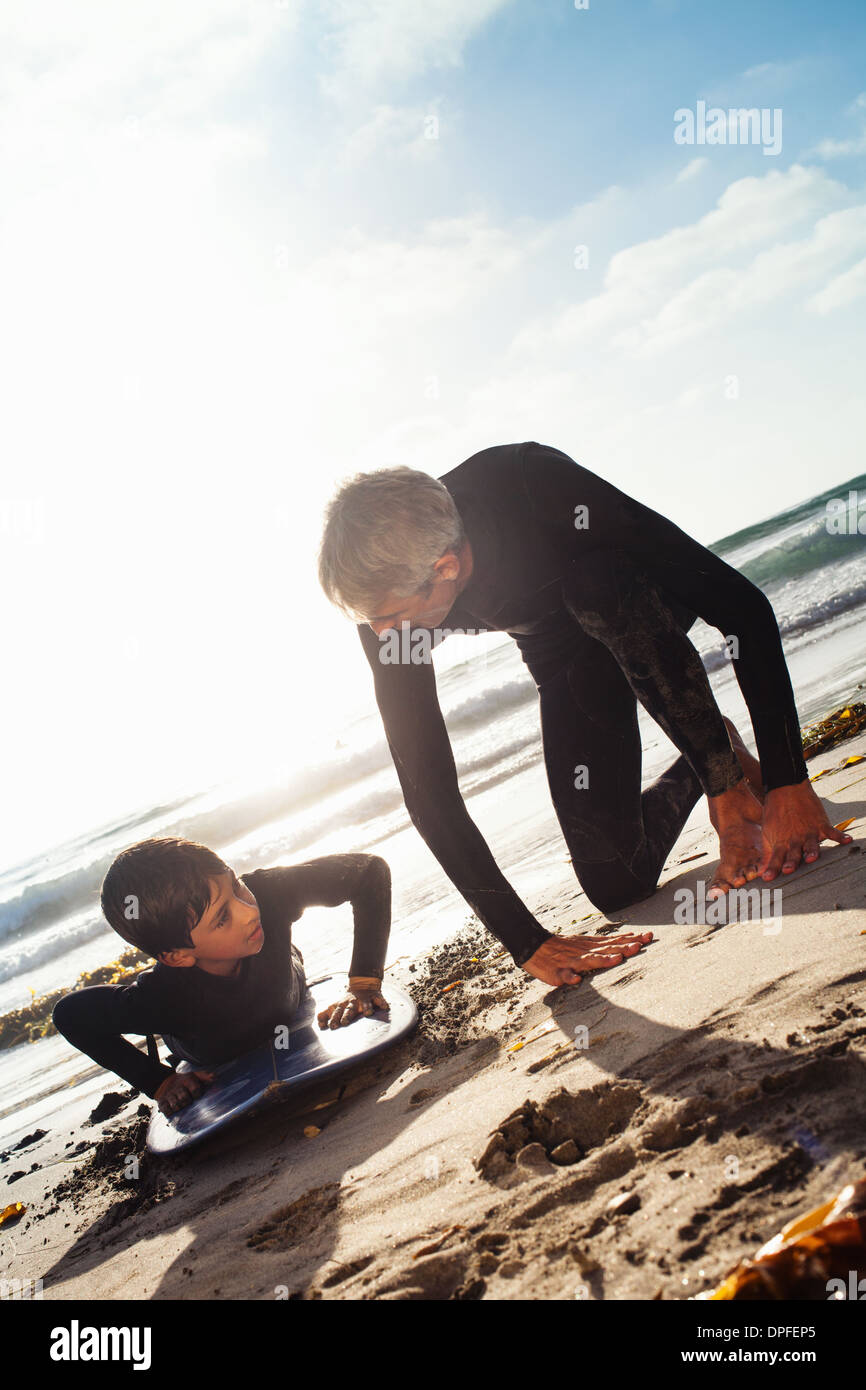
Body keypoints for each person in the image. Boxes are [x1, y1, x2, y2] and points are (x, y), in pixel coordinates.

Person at [317, 439, 852, 990]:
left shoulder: (535, 486)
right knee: (616, 882)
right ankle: (708, 765)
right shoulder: (383, 599)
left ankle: (727, 783)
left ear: (445, 566)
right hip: (564, 655)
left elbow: (740, 607)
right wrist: (527, 941)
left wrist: (791, 781)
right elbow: (426, 784)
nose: (381, 635)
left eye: (390, 618)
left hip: (641, 600)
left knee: (597, 587)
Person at [52, 838, 391, 1115]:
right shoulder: (162, 999)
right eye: (221, 919)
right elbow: (69, 1015)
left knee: (276, 940)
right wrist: (157, 1081)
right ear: (176, 956)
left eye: (237, 886)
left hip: (285, 979)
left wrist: (363, 983)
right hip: (205, 1043)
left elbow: (368, 871)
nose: (249, 911)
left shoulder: (270, 894)